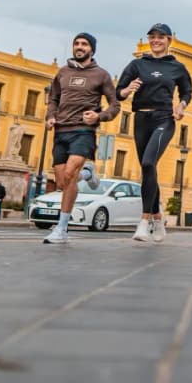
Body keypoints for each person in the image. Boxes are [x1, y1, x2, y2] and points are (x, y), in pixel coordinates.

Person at [116, 23, 192, 243]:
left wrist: (182, 105)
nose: (156, 40)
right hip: (141, 118)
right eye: (152, 37)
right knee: (148, 171)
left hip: (164, 119)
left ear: (169, 40)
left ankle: (144, 221)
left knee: (149, 163)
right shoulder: (137, 64)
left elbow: (187, 89)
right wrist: (128, 89)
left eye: (161, 37)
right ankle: (159, 220)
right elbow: (118, 93)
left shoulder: (176, 67)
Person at [43, 33, 120, 244]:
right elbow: (53, 98)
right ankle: (87, 173)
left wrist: (98, 116)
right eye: (76, 43)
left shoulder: (101, 75)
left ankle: (61, 228)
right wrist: (50, 116)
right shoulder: (62, 72)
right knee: (61, 182)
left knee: (69, 175)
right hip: (61, 131)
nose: (79, 47)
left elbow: (115, 106)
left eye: (84, 44)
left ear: (92, 49)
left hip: (83, 131)